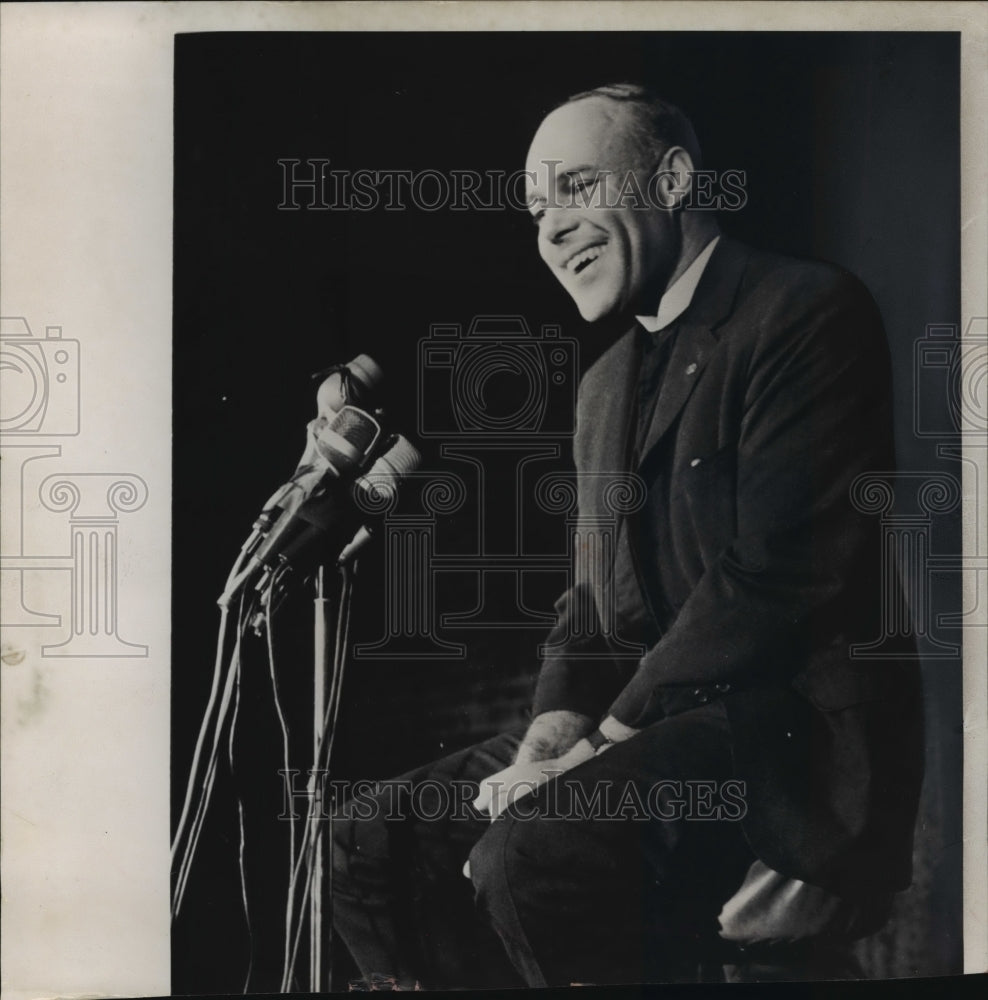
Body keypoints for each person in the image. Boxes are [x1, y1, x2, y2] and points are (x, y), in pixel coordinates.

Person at [330, 83, 924, 988]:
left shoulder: (806, 311)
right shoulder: (603, 384)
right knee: (371, 837)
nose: (551, 231)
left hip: (778, 741)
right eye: (536, 211)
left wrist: (591, 750)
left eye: (575, 188)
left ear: (675, 179)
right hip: (645, 724)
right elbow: (590, 606)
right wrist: (545, 742)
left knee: (530, 855)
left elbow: (770, 581)